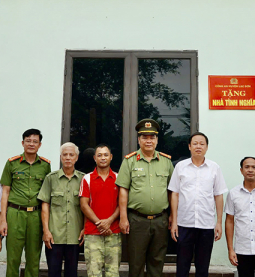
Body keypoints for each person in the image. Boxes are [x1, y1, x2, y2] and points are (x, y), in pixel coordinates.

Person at [116, 118, 174, 277]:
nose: (148, 141)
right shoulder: (129, 161)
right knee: (136, 262)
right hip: (137, 220)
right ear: (138, 139)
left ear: (157, 139)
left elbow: (172, 192)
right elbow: (123, 191)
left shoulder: (166, 162)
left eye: (152, 137)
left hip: (160, 220)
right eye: (144, 137)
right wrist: (123, 218)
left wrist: (173, 216)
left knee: (157, 262)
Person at [168, 132, 228, 277]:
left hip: (206, 224)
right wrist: (174, 221)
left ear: (207, 147)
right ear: (189, 146)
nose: (198, 146)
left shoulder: (214, 168)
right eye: (195, 143)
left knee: (203, 266)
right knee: (182, 265)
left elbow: (218, 195)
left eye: (202, 144)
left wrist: (219, 222)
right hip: (184, 223)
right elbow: (174, 194)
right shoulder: (180, 167)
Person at [0, 128, 51, 277]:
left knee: (34, 258)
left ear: (40, 145)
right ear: (23, 143)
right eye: (28, 141)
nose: (31, 144)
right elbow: (5, 192)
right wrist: (3, 219)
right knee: (13, 257)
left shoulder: (45, 165)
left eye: (35, 141)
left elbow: (46, 194)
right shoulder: (12, 163)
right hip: (15, 214)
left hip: (35, 215)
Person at [38, 142, 85, 277]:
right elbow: (45, 205)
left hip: (75, 234)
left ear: (76, 158)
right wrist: (46, 231)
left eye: (71, 155)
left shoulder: (83, 179)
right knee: (53, 271)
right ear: (60, 157)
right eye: (65, 155)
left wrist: (85, 228)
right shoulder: (51, 179)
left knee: (72, 272)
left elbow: (86, 206)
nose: (68, 158)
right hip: (54, 235)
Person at [79, 144, 121, 277]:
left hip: (113, 232)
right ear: (94, 158)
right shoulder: (87, 178)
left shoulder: (118, 178)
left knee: (113, 273)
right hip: (92, 233)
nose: (103, 158)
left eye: (106, 155)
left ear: (111, 157)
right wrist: (101, 224)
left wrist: (109, 221)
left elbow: (122, 204)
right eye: (99, 155)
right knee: (93, 273)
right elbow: (84, 205)